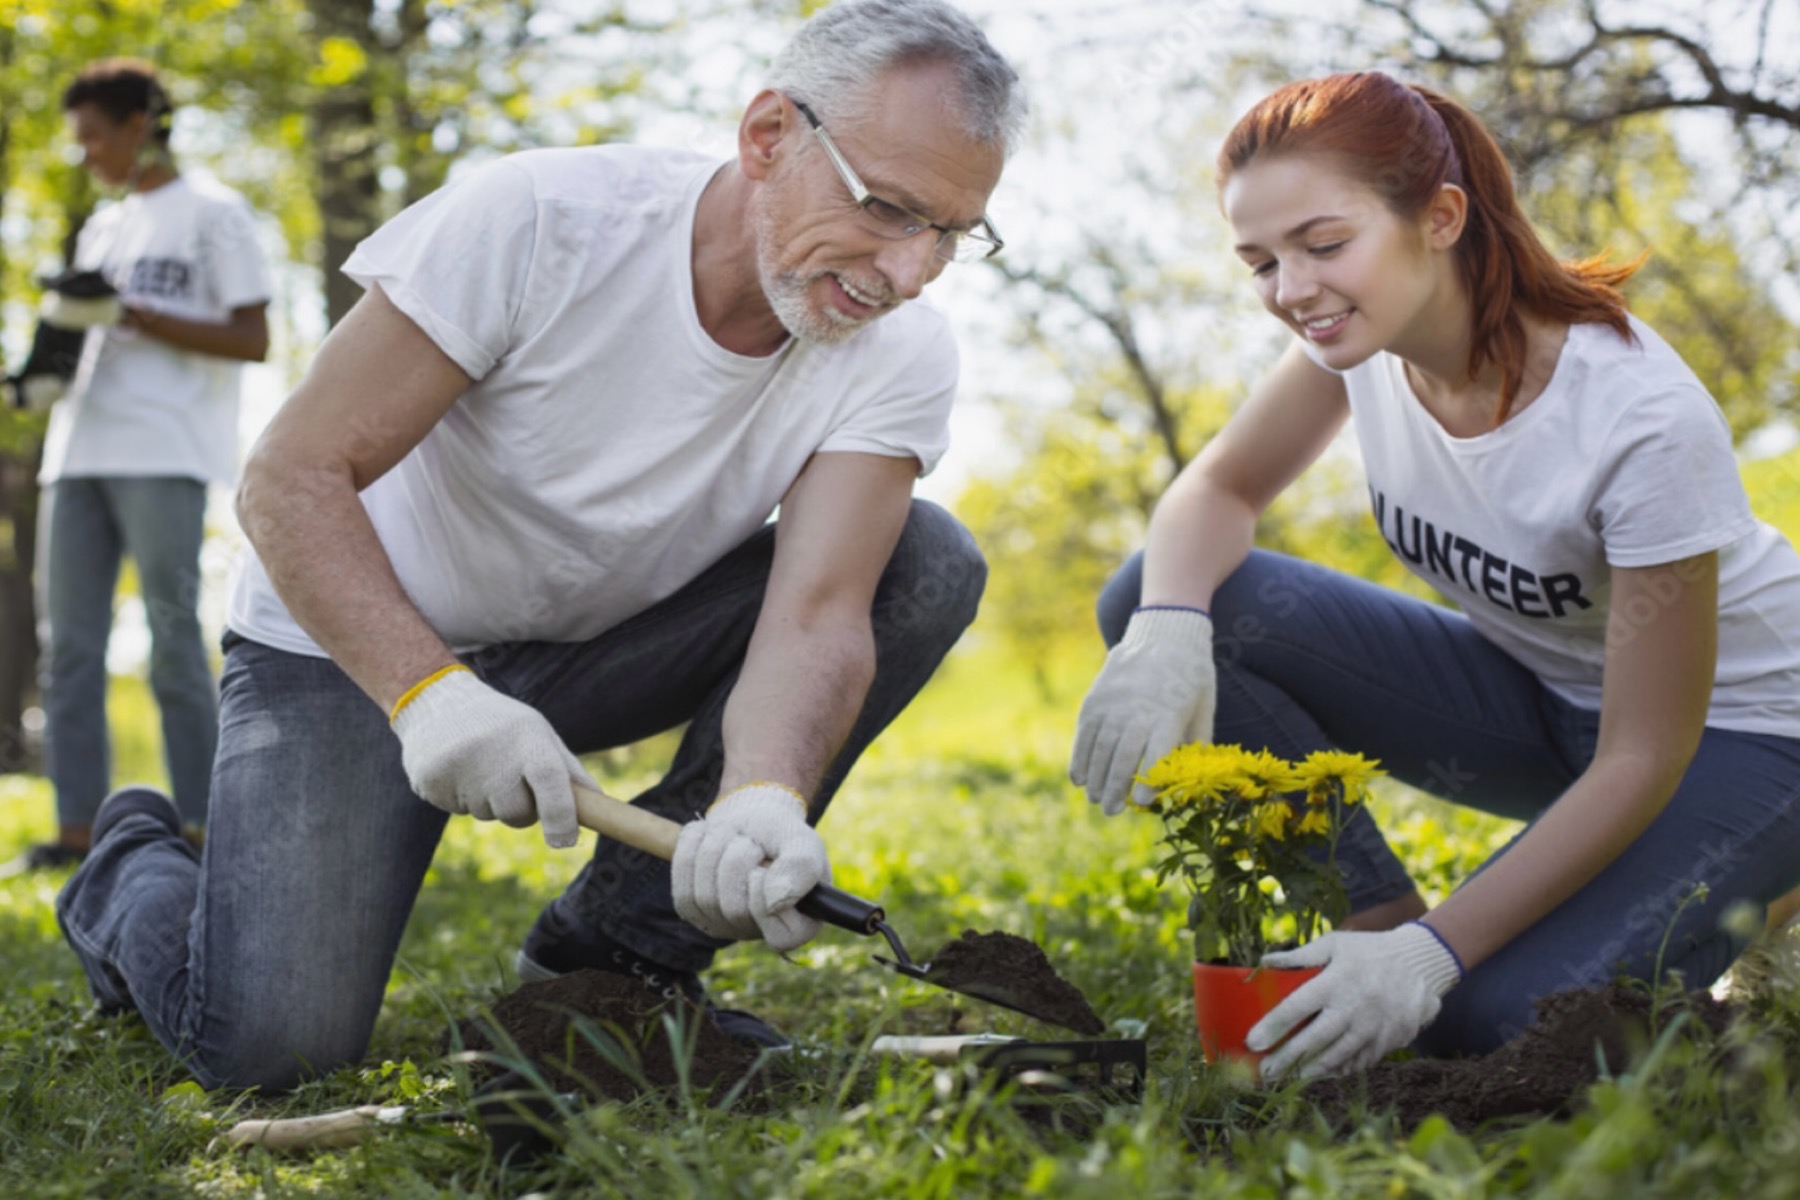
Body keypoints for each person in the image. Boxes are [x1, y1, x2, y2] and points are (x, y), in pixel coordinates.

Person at [57, 0, 1024, 1090]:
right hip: (345, 652)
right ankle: (130, 863)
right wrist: (432, 695)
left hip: (591, 653)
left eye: (950, 232)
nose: (909, 272)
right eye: (889, 208)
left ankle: (614, 952)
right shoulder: (541, 218)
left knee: (928, 561)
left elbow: (817, 609)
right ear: (768, 137)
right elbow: (292, 475)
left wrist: (763, 793)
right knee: (273, 1051)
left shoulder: (899, 349)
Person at [1070, 71, 1800, 1080]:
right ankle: (1372, 915)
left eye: (1325, 245)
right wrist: (1166, 631)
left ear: (1442, 217)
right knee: (1173, 589)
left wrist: (1436, 958)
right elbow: (1220, 494)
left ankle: (1765, 877)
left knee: (1493, 1023)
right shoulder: (1360, 346)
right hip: (1548, 705)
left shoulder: (1638, 421)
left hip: (1743, 737)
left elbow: (1643, 755)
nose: (1292, 290)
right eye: (1261, 261)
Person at [8, 60, 271, 875]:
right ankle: (76, 831)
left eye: (93, 137)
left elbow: (251, 338)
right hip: (77, 457)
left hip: (164, 453)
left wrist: (132, 313)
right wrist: (37, 372)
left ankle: (203, 823)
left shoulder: (216, 217)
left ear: (140, 125)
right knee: (72, 652)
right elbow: (79, 333)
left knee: (171, 642)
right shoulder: (103, 226)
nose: (85, 154)